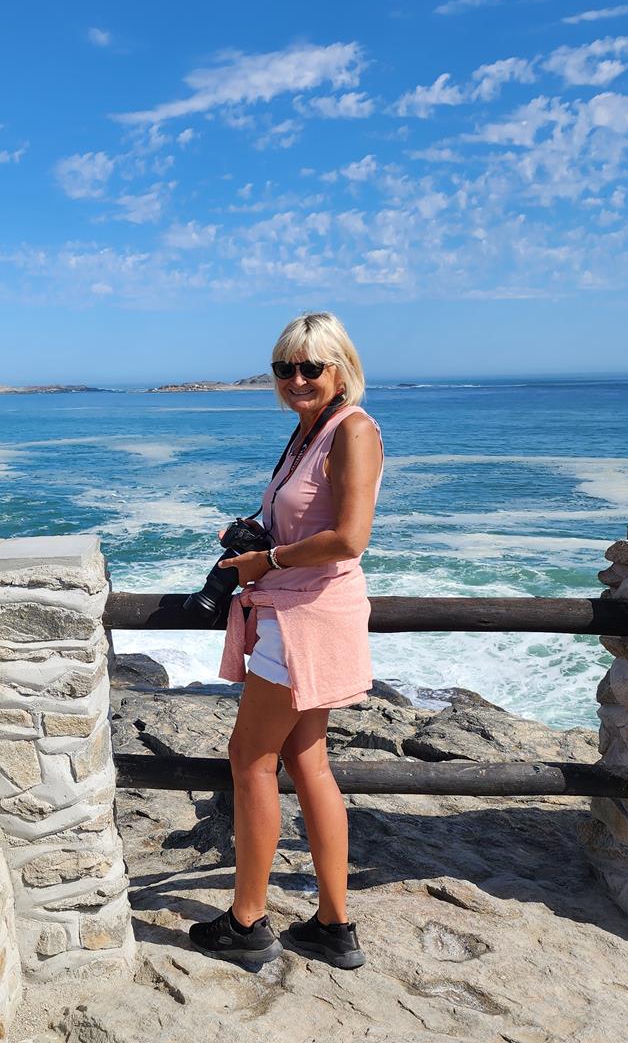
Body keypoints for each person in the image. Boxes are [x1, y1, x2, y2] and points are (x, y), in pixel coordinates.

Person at [188, 310, 384, 970]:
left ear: (341, 370)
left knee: (250, 758)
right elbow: (306, 522)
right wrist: (258, 540)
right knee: (307, 762)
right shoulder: (308, 432)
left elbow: (350, 538)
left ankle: (246, 922)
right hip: (297, 611)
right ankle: (333, 925)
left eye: (310, 367)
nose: (296, 379)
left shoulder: (352, 429)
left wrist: (265, 561)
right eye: (284, 368)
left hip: (306, 618)